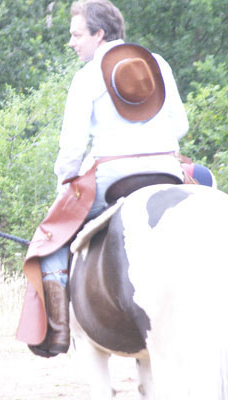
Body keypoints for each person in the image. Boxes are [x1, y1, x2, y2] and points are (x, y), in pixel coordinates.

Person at [16, 0, 189, 357]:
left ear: (99, 34)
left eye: (76, 34)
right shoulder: (159, 64)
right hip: (169, 172)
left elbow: (71, 150)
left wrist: (64, 186)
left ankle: (58, 331)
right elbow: (181, 126)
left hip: (113, 180)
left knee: (52, 237)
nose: (71, 42)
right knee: (210, 192)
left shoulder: (87, 76)